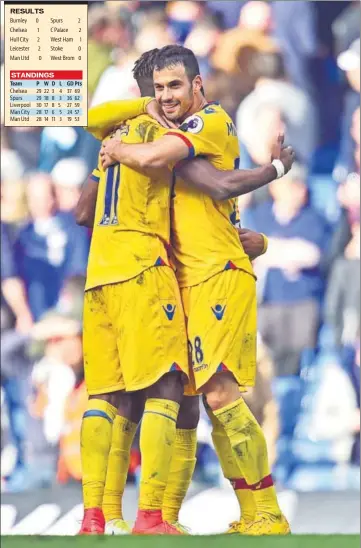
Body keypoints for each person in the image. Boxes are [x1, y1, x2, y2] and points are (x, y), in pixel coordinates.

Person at [98, 44, 294, 535]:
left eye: (175, 86)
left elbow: (208, 179)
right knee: (189, 400)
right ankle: (170, 519)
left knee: (220, 393)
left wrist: (119, 149)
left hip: (215, 277)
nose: (166, 96)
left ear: (197, 84)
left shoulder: (205, 120)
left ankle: (265, 510)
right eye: (158, 89)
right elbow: (211, 187)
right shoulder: (176, 128)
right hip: (189, 278)